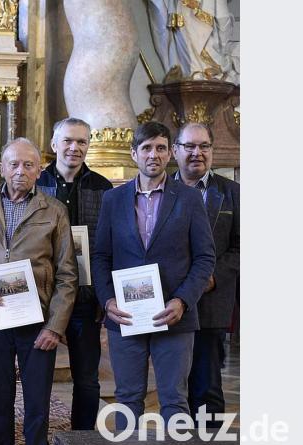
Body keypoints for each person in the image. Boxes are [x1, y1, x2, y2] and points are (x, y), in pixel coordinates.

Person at [91, 121, 216, 429]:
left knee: (174, 400)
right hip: (126, 316)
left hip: (174, 316)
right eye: (146, 148)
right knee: (128, 398)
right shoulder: (113, 200)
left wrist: (183, 301)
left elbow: (204, 258)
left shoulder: (188, 199)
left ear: (170, 153)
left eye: (161, 148)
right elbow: (100, 256)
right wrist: (107, 301)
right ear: (134, 153)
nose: (153, 155)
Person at [0, 138, 77, 445]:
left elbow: (68, 274)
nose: (20, 171)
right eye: (13, 164)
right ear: (1, 168)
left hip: (38, 321)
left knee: (37, 403)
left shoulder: (54, 211)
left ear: (39, 170)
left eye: (28, 165)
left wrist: (55, 326)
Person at [36, 118, 113, 430]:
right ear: (54, 144)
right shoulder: (36, 183)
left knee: (87, 380)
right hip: (42, 297)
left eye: (82, 142)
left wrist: (103, 296)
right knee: (38, 378)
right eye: (68, 140)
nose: (74, 147)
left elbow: (109, 245)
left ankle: (81, 439)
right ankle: (37, 439)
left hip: (84, 296)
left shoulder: (103, 188)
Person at [171, 122, 239, 426]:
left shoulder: (233, 193)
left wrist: (210, 278)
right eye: (190, 146)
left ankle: (209, 444)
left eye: (204, 146)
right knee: (173, 388)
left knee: (207, 387)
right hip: (168, 302)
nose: (197, 153)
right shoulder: (160, 189)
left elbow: (242, 248)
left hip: (210, 303)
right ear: (175, 150)